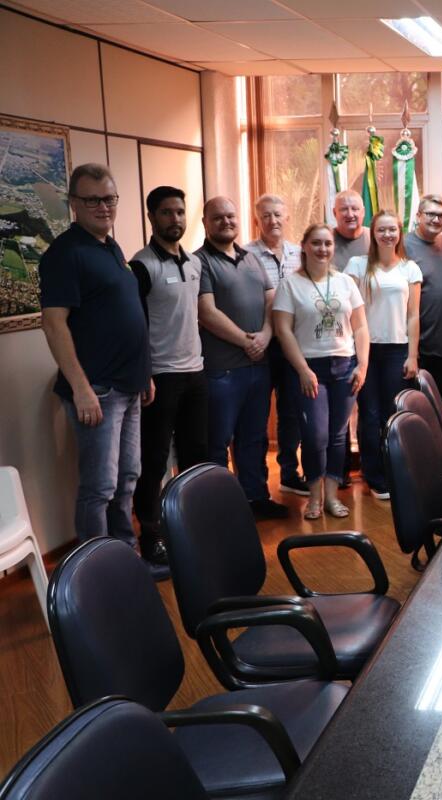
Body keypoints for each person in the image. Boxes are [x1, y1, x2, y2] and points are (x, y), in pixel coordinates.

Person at [40, 163, 153, 561]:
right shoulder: (65, 254)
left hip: (128, 385)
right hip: (98, 391)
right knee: (99, 488)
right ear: (73, 203)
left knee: (127, 480)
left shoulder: (110, 246)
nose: (103, 207)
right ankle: (97, 572)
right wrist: (81, 388)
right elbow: (54, 324)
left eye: (109, 199)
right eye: (92, 200)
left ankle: (125, 558)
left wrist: (144, 373)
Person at [128, 186, 206, 571]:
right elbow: (135, 326)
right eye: (166, 212)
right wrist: (145, 374)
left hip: (195, 372)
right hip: (160, 377)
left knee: (195, 456)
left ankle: (189, 527)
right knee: (154, 460)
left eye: (179, 212)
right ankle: (151, 536)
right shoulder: (142, 266)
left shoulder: (193, 263)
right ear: (151, 217)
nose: (175, 219)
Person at [195, 196, 289, 520]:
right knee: (217, 442)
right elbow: (206, 312)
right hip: (222, 371)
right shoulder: (200, 262)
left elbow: (271, 301)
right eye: (218, 217)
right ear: (205, 223)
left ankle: (255, 498)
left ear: (239, 219)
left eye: (231, 216)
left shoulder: (252, 259)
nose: (226, 222)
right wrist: (247, 341)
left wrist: (265, 335)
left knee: (254, 438)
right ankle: (220, 508)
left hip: (258, 367)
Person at [273, 223, 370, 520]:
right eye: (316, 243)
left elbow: (360, 327)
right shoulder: (291, 284)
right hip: (309, 368)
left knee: (338, 435)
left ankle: (331, 496)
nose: (322, 249)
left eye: (327, 243)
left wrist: (363, 365)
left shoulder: (345, 282)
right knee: (315, 436)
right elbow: (283, 330)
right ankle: (314, 497)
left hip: (344, 365)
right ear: (304, 246)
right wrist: (302, 369)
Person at [344, 211, 422, 501]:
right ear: (373, 233)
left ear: (400, 233)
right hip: (365, 350)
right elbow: (348, 310)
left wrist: (412, 355)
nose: (387, 235)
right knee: (369, 414)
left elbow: (413, 315)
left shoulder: (410, 269)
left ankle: (395, 471)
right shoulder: (357, 265)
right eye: (382, 230)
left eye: (392, 230)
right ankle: (373, 475)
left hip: (397, 349)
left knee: (393, 414)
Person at [244, 194, 306, 496]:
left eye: (278, 215)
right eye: (266, 215)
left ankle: (289, 473)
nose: (273, 221)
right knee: (256, 415)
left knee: (291, 411)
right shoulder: (245, 255)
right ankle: (256, 484)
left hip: (292, 344)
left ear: (287, 218)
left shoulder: (300, 254)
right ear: (257, 220)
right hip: (259, 344)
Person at [405, 194, 442, 400]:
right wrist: (412, 352)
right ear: (418, 216)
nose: (436, 220)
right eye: (430, 214)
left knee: (437, 406)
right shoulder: (403, 246)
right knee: (413, 408)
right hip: (415, 348)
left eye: (441, 216)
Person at [331, 190, 369, 270]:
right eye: (344, 209)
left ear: (363, 212)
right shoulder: (326, 241)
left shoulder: (374, 238)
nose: (350, 215)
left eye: (355, 209)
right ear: (334, 213)